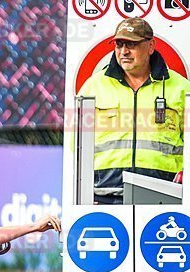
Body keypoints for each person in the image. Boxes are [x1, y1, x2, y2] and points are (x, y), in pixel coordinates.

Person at [78, 18, 190, 204]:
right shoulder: (93, 87)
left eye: (132, 44)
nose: (124, 52)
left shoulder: (181, 88)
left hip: (165, 196)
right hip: (104, 196)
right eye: (119, 44)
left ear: (151, 46)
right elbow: (78, 147)